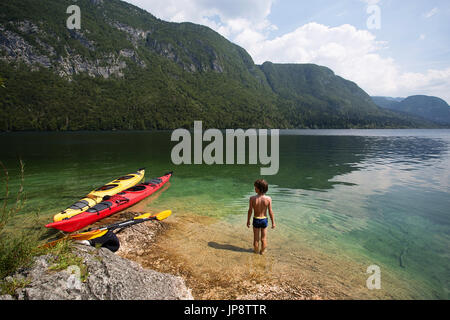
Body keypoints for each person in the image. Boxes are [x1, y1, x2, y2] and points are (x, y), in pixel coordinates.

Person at [247, 179, 275, 254]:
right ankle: (262, 252)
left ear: (259, 189)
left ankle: (255, 252)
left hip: (256, 219)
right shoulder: (268, 199)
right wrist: (273, 222)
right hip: (264, 220)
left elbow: (250, 211)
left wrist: (248, 221)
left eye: (255, 187)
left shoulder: (252, 198)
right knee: (263, 238)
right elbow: (270, 211)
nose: (254, 189)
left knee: (256, 239)